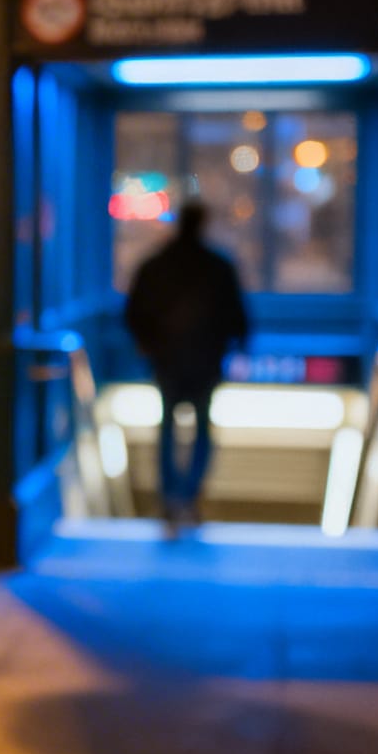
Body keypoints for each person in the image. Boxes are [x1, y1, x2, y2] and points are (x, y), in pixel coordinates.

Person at [123, 201, 250, 533]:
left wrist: (149, 346)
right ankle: (190, 494)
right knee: (203, 430)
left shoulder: (156, 264)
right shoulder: (218, 265)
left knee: (167, 428)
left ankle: (170, 497)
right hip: (206, 362)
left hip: (166, 361)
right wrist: (235, 350)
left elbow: (134, 311)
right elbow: (237, 317)